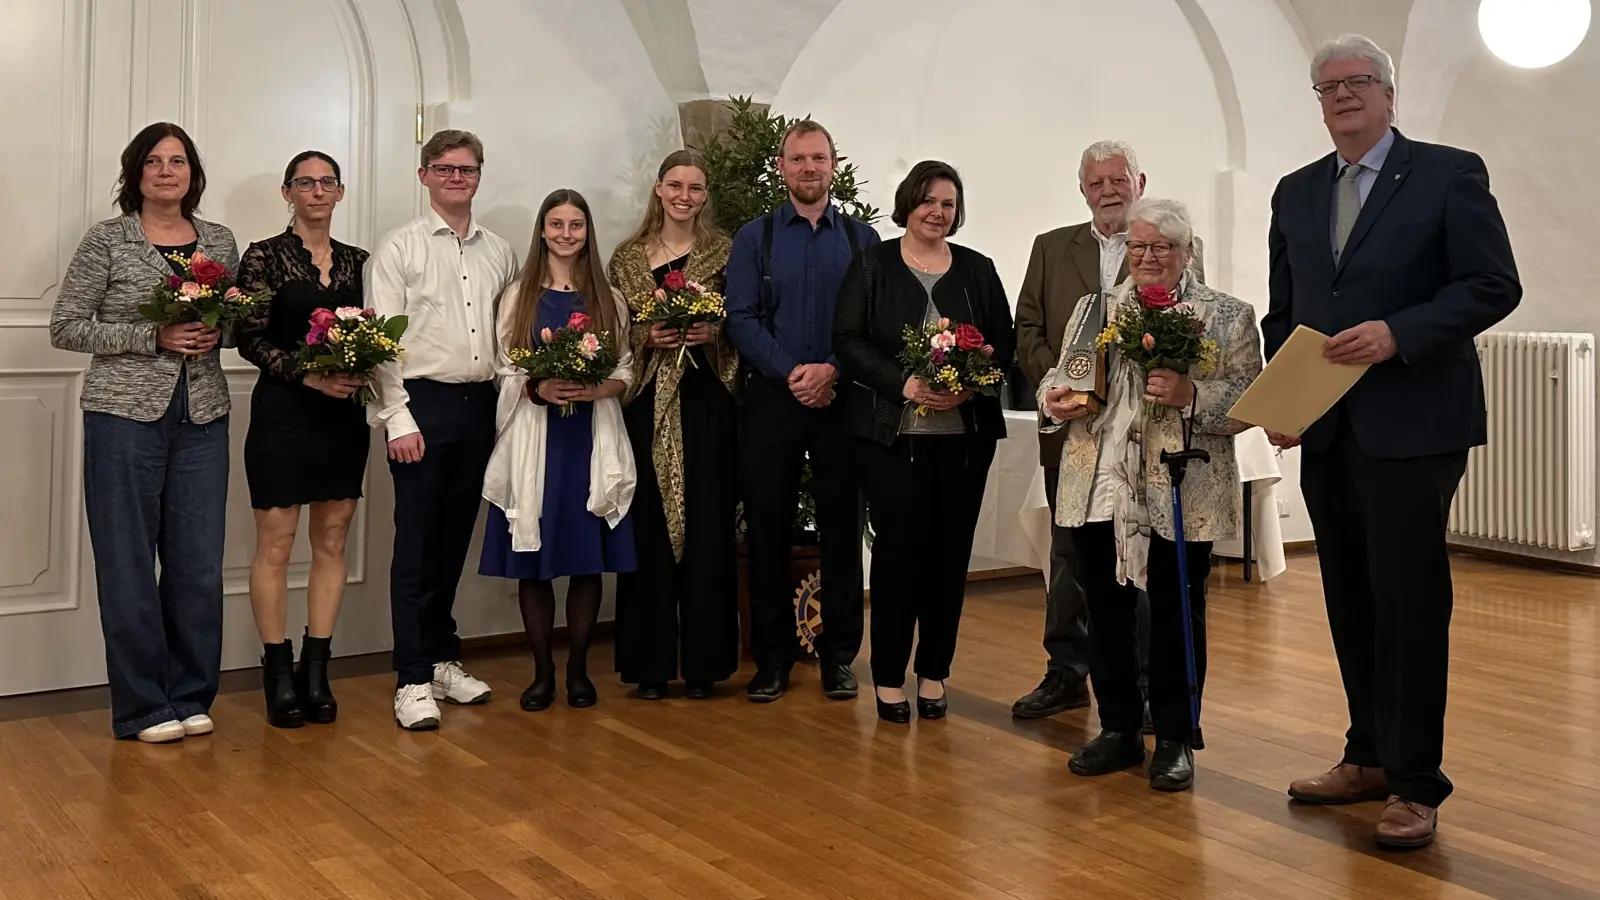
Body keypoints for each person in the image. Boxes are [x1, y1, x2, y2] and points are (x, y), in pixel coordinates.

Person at [1265, 34, 1520, 848]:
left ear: (1389, 92)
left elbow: (1491, 285)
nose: (1343, 94)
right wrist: (1285, 396)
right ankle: (1367, 754)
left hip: (1414, 422)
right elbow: (1288, 312)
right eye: (1328, 85)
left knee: (1408, 603)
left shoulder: (1448, 172)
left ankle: (1416, 782)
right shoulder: (1296, 192)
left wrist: (1397, 334)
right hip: (1328, 427)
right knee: (1348, 593)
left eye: (1359, 81)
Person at [1042, 198, 1261, 792]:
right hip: (1098, 483)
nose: (1148, 257)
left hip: (1179, 485)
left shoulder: (1226, 315)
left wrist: (1194, 394)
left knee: (1175, 616)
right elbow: (1062, 372)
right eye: (1138, 246)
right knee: (1106, 614)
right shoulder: (1096, 307)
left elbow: (1250, 397)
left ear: (1186, 251)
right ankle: (1117, 729)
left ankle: (1174, 737)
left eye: (1162, 246)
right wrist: (1053, 399)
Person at [49, 122, 238, 743]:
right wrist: (148, 336)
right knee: (128, 564)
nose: (166, 171)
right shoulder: (108, 240)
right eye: (153, 162)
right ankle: (142, 707)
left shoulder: (218, 240)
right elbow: (67, 326)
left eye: (178, 161)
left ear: (193, 172)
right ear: (135, 173)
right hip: (122, 420)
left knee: (197, 565)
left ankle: (190, 695)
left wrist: (222, 331)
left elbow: (234, 322)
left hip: (203, 417)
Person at [1012, 140, 1207, 724]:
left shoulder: (1168, 248)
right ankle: (1067, 671)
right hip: (1074, 432)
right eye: (1096, 183)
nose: (1108, 192)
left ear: (1139, 181)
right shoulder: (1051, 248)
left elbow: (1191, 332)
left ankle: (1146, 684)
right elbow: (1028, 328)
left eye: (1118, 180)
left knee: (1145, 559)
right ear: (1083, 190)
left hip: (1150, 440)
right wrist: (1073, 388)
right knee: (1072, 555)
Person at [833, 161, 1015, 723]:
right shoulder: (873, 263)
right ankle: (888, 677)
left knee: (948, 558)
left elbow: (1003, 347)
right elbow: (847, 339)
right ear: (908, 202)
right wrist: (903, 383)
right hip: (891, 440)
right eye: (929, 201)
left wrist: (969, 386)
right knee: (897, 556)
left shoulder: (979, 270)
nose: (938, 213)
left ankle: (934, 673)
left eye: (949, 205)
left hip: (962, 440)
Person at [367, 130, 519, 730]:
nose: (457, 179)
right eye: (445, 169)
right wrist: (396, 417)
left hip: (479, 406)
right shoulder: (399, 247)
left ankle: (440, 658)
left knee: (455, 538)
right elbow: (380, 341)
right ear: (425, 175)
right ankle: (410, 676)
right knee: (416, 545)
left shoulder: (499, 252)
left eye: (468, 169)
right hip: (420, 407)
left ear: (479, 176)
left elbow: (508, 336)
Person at [724, 120, 880, 702]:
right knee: (766, 528)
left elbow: (872, 322)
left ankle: (839, 656)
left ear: (833, 166)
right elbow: (739, 318)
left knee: (842, 529)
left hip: (843, 398)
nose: (809, 168)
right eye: (798, 159)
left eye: (819, 158)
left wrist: (832, 371)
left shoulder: (863, 240)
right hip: (773, 397)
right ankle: (772, 662)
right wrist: (793, 371)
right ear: (782, 167)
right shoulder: (754, 238)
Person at [481, 189, 636, 711]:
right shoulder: (518, 295)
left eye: (576, 225)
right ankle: (542, 669)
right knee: (536, 558)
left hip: (590, 436)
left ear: (588, 232)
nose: (566, 234)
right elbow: (503, 368)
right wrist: (537, 387)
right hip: (537, 438)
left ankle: (578, 671)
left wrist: (597, 389)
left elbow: (625, 371)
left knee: (585, 557)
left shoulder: (608, 298)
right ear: (542, 231)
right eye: (556, 224)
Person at [235, 151, 370, 729]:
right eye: (305, 182)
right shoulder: (262, 255)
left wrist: (360, 369)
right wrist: (307, 372)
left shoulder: (361, 261)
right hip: (283, 413)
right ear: (287, 191)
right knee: (276, 542)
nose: (317, 191)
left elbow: (379, 330)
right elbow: (247, 336)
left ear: (340, 192)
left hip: (342, 415)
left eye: (327, 182)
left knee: (333, 539)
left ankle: (318, 669)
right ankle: (277, 672)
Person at [609, 151, 740, 700]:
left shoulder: (726, 252)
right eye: (676, 185)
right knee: (648, 530)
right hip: (645, 407)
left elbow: (744, 324)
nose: (685, 195)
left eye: (696, 187)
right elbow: (612, 333)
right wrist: (647, 338)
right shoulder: (626, 259)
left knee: (708, 524)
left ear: (705, 195)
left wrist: (716, 336)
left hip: (707, 402)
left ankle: (706, 665)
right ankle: (650, 664)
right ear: (659, 189)